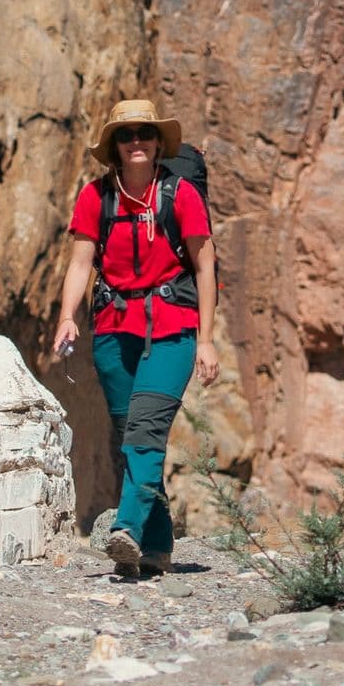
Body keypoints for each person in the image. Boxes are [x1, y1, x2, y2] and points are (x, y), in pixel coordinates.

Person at [53, 98, 220, 576]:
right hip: (113, 332)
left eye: (145, 133)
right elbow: (80, 263)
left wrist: (206, 339)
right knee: (133, 437)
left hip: (172, 330)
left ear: (158, 142)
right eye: (125, 136)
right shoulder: (96, 197)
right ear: (115, 147)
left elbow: (205, 266)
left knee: (145, 432)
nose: (136, 142)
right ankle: (158, 545)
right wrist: (68, 316)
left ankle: (125, 529)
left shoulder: (180, 195)